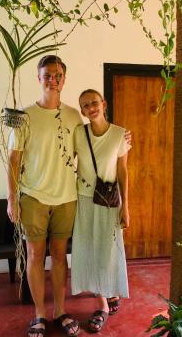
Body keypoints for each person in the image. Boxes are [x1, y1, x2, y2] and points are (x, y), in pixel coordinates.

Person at [7, 55, 82, 337]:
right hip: (33, 196)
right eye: (47, 75)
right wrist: (11, 198)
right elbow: (13, 160)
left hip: (66, 197)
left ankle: (60, 311)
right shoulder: (25, 116)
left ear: (64, 79)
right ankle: (39, 314)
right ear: (39, 79)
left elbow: (84, 153)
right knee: (35, 255)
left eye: (58, 74)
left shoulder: (74, 115)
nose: (53, 79)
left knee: (60, 256)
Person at [71, 89, 131, 333]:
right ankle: (102, 305)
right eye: (85, 106)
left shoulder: (119, 134)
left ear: (103, 104)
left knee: (108, 250)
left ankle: (110, 291)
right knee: (90, 249)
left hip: (108, 202)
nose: (90, 108)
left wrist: (126, 205)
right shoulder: (78, 133)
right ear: (82, 111)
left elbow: (123, 171)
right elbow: (66, 159)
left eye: (94, 103)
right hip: (84, 199)